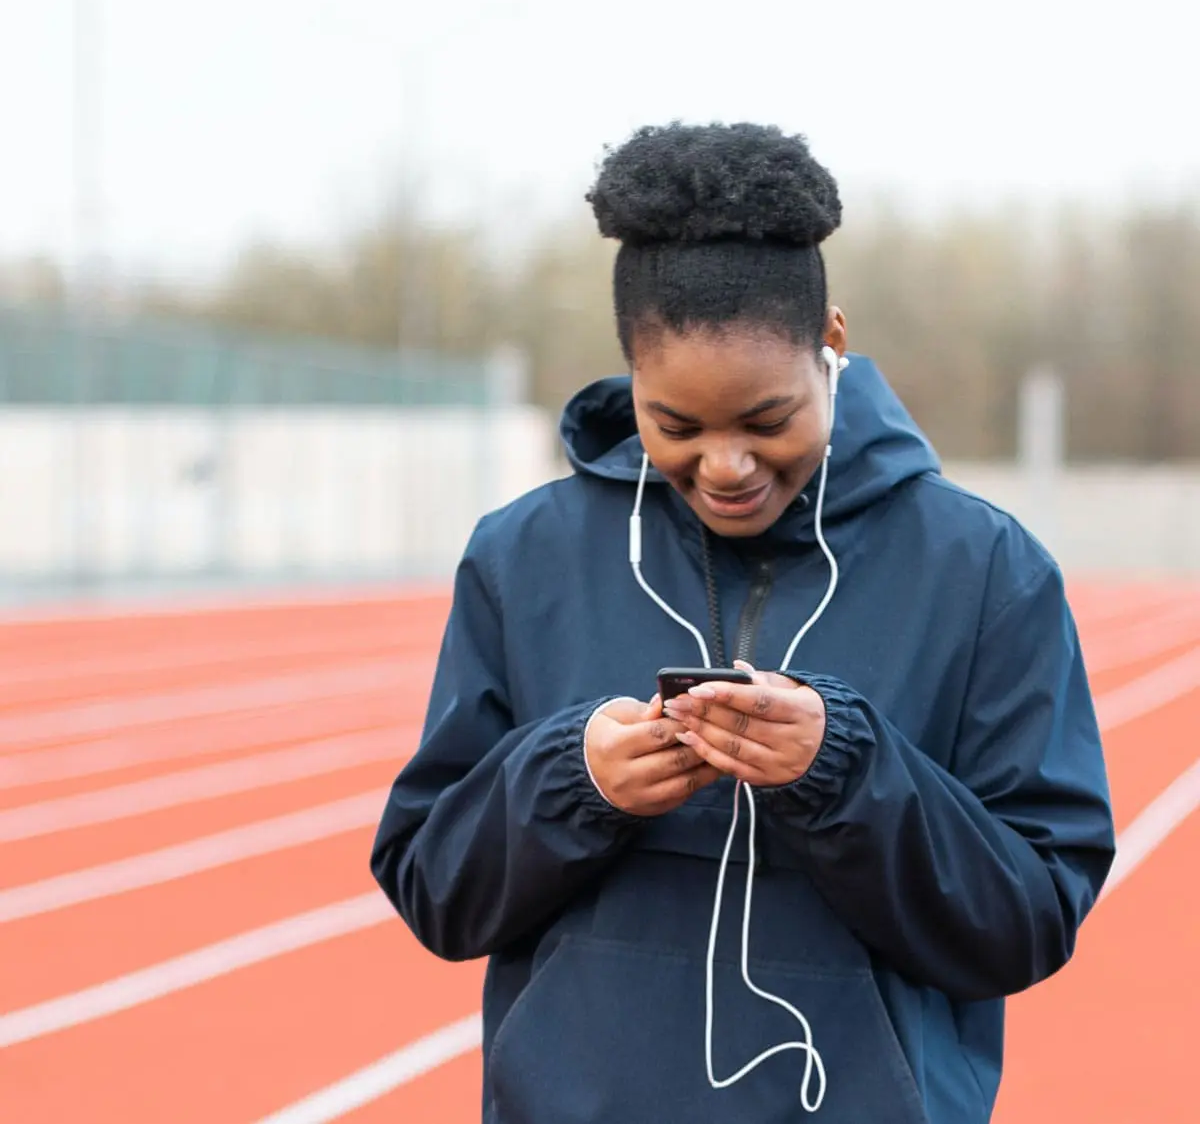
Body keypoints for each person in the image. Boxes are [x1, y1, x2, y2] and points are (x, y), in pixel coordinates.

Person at [370, 121, 1116, 1124]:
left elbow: (1026, 920)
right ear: (631, 374)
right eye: (676, 425)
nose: (726, 465)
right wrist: (571, 782)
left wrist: (845, 772)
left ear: (833, 343)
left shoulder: (985, 570)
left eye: (768, 421)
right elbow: (436, 892)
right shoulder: (523, 558)